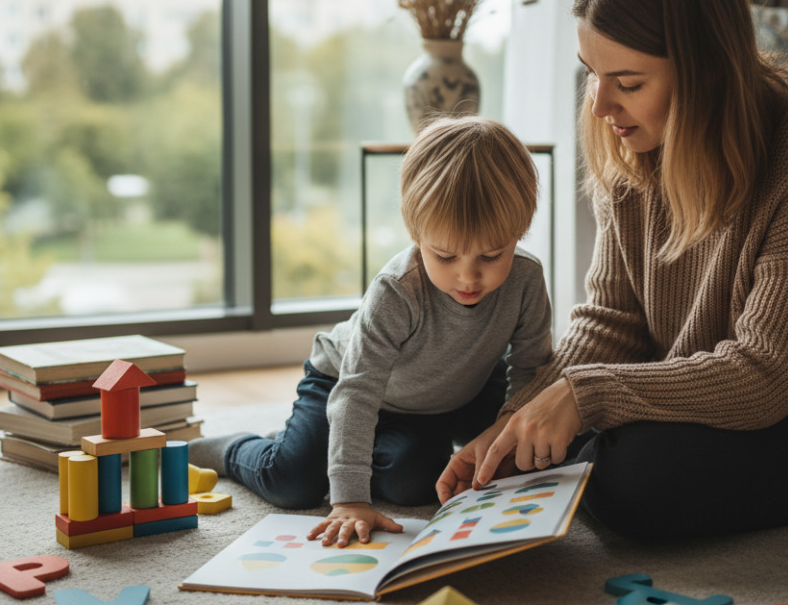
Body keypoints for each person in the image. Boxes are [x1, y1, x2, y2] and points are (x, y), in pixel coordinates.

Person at [435, 0, 788, 541]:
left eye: (628, 83)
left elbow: (765, 376)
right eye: (592, 74)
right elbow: (612, 321)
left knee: (632, 482)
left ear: (707, 72)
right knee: (524, 426)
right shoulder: (632, 141)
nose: (600, 106)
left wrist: (583, 396)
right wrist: (516, 418)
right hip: (692, 406)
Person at [189, 115, 552, 548]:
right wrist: (349, 499)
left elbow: (529, 370)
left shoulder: (527, 279)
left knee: (414, 484)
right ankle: (232, 448)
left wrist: (511, 445)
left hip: (451, 393)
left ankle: (345, 448)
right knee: (292, 483)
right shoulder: (397, 290)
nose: (469, 276)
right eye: (445, 256)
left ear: (519, 232)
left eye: (492, 256)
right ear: (416, 234)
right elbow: (357, 394)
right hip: (346, 383)